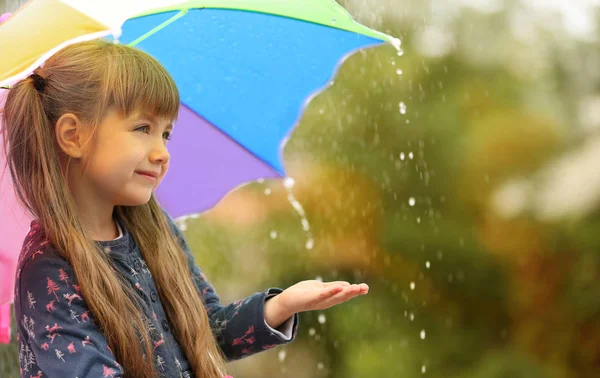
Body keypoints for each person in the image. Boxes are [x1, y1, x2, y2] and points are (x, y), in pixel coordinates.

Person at [1, 40, 369, 378]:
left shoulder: (153, 232)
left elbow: (209, 332)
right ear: (73, 136)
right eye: (142, 127)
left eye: (166, 134)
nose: (162, 153)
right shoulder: (48, 269)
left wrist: (283, 304)